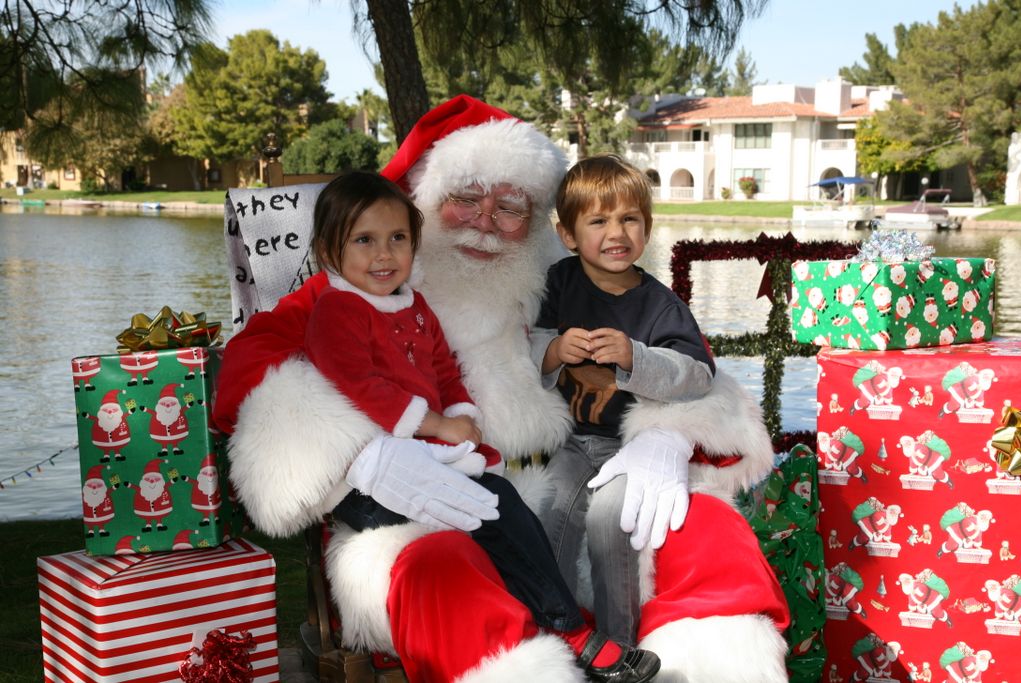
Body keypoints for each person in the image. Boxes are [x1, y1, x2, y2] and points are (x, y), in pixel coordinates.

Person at [214, 94, 790, 682]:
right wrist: (359, 453)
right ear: (424, 203)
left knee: (705, 530)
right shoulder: (354, 289)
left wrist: (667, 435)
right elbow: (245, 372)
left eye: (510, 207)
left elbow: (690, 363)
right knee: (443, 573)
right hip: (429, 505)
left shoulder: (564, 274)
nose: (486, 222)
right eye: (465, 199)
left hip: (576, 483)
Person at [303, 169, 659, 681]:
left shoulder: (414, 305)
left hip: (433, 457)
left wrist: (464, 416)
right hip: (371, 481)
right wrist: (436, 425)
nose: (384, 255)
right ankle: (564, 633)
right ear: (328, 251)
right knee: (487, 520)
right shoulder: (337, 310)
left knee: (504, 504)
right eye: (364, 241)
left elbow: (445, 368)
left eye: (397, 239)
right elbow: (361, 387)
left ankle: (563, 629)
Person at [531, 154, 715, 645]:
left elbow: (698, 375)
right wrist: (553, 350)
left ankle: (620, 646)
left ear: (647, 228)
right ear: (567, 233)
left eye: (629, 218)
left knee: (613, 521)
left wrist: (636, 358)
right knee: (550, 512)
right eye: (599, 220)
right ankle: (558, 637)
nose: (617, 232)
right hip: (571, 442)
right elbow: (521, 349)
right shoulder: (557, 283)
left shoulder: (661, 304)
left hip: (632, 448)